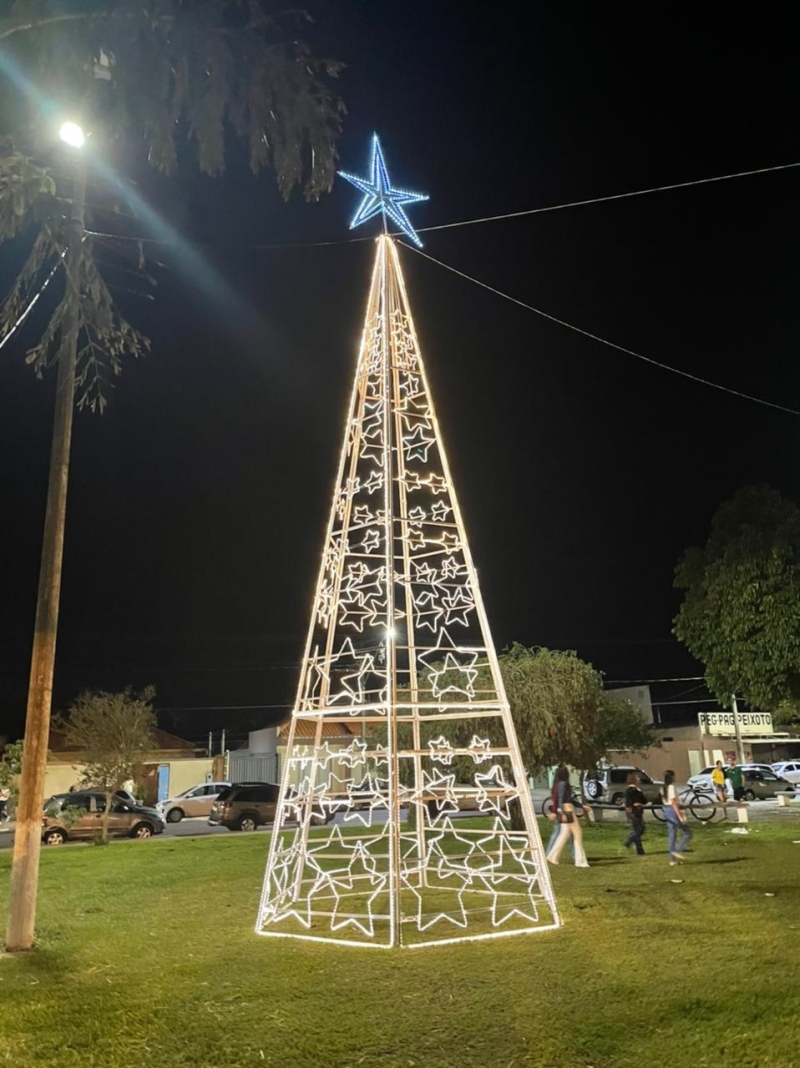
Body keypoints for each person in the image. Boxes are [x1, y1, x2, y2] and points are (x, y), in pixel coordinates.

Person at [547, 766, 589, 868]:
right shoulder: (563, 784)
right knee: (577, 834)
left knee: (564, 835)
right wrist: (564, 812)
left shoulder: (557, 785)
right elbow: (563, 800)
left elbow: (565, 799)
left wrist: (581, 806)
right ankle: (580, 860)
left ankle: (553, 856)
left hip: (565, 809)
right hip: (568, 810)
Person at [660, 769, 692, 865]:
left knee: (672, 835)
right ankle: (678, 850)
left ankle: (672, 859)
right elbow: (673, 803)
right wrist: (680, 815)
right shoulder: (671, 787)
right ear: (672, 777)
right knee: (687, 832)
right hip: (672, 810)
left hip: (666, 810)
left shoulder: (662, 788)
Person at [623, 772, 646, 856]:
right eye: (638, 778)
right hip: (634, 812)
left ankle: (630, 842)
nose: (639, 780)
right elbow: (629, 803)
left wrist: (640, 792)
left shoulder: (637, 790)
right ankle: (639, 850)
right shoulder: (630, 791)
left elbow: (644, 801)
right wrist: (634, 805)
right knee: (637, 832)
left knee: (640, 830)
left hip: (638, 812)